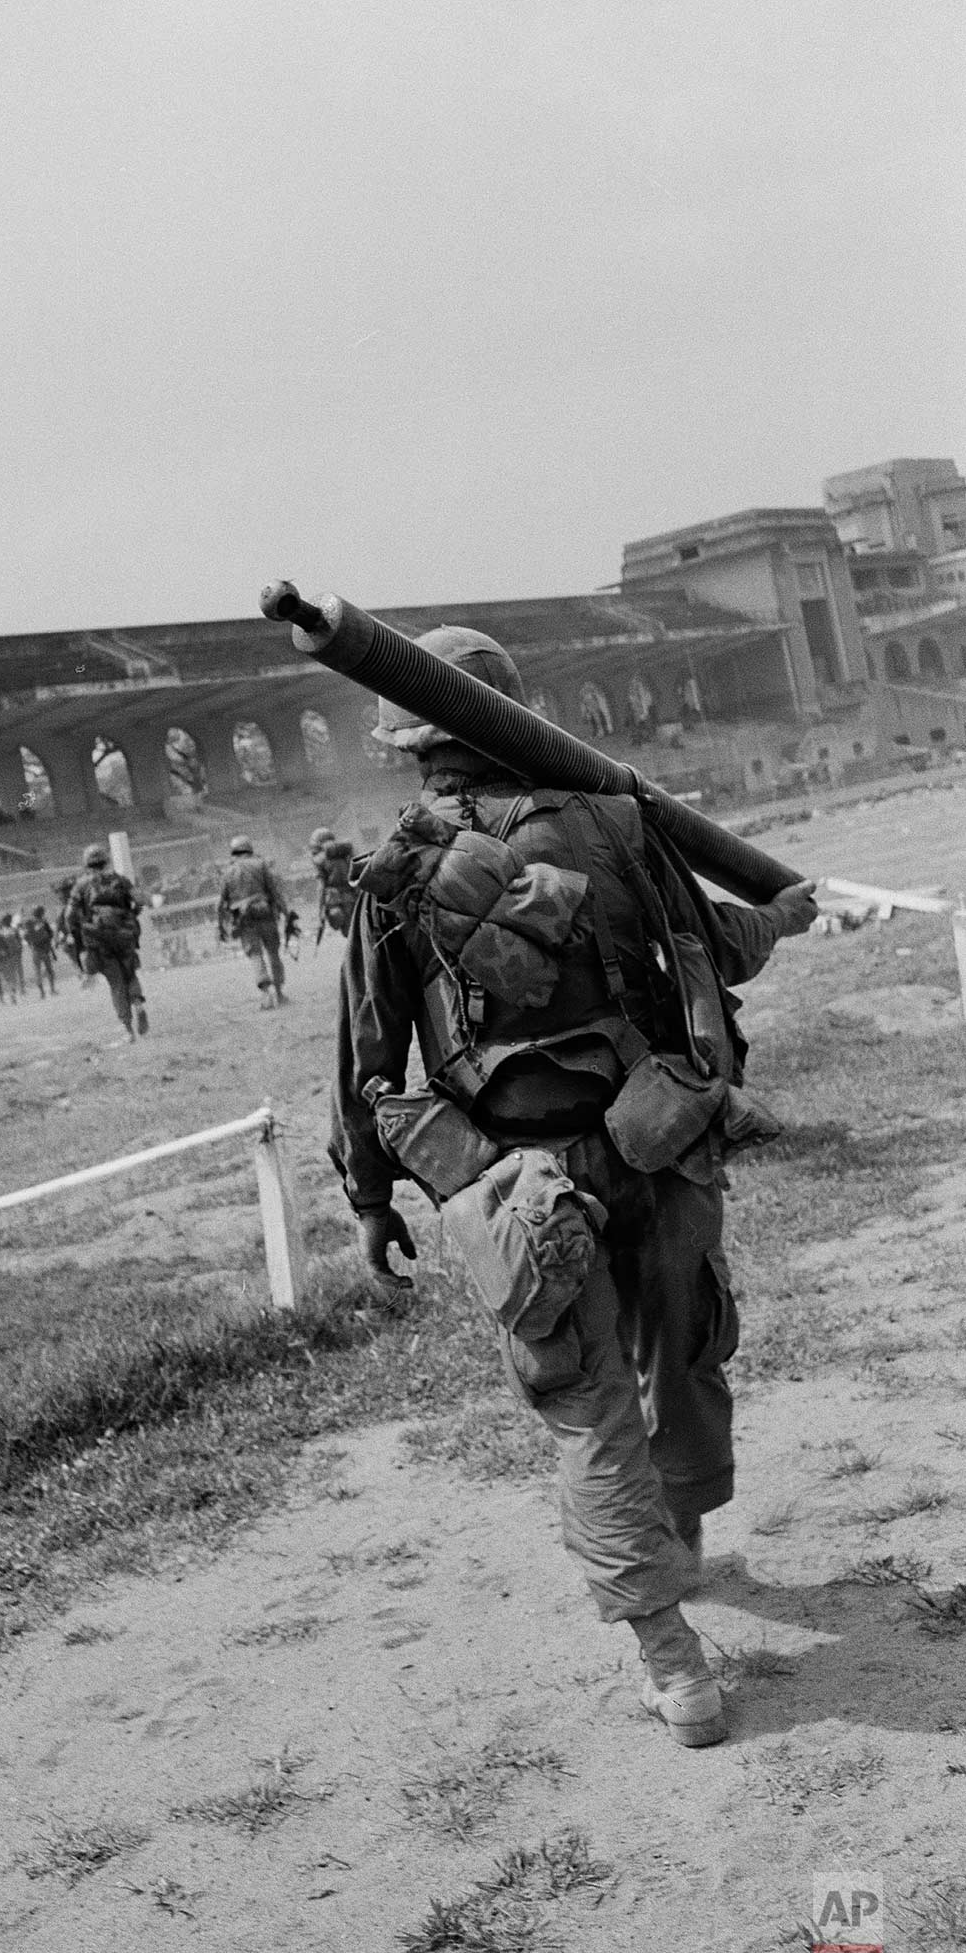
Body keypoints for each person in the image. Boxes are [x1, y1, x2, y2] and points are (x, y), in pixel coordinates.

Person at [329, 624, 817, 1750]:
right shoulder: (616, 823)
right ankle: (680, 1541)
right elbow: (717, 950)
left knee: (588, 1407)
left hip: (519, 1186)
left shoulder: (395, 873)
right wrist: (786, 913)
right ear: (518, 721)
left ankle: (674, 1662)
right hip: (658, 1146)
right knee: (684, 1355)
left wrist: (371, 1198)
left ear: (417, 751)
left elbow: (368, 1054)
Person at [65, 843, 149, 1041]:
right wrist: (132, 914)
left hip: (99, 941)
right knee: (130, 974)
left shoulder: (82, 885)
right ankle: (138, 1004)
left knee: (116, 983)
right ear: (106, 860)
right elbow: (140, 900)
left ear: (87, 863)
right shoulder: (120, 881)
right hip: (124, 937)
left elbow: (70, 915)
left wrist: (78, 932)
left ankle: (128, 1029)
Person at [217, 836, 290, 1008]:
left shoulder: (228, 872)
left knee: (255, 955)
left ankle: (266, 994)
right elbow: (274, 891)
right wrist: (286, 913)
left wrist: (221, 926)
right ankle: (279, 993)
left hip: (244, 920)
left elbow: (221, 903)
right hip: (266, 915)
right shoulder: (261, 865)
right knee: (273, 953)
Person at [309, 825, 358, 945]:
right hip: (351, 898)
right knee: (355, 933)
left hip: (334, 902)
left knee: (349, 936)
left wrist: (320, 911)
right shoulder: (346, 854)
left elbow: (321, 887)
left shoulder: (319, 860)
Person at [22, 905, 58, 996]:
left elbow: (25, 936)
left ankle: (42, 992)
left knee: (37, 971)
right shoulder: (43, 923)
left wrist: (31, 944)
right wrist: (53, 953)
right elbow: (48, 937)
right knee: (49, 970)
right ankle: (52, 990)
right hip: (45, 949)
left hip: (35, 950)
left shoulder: (29, 923)